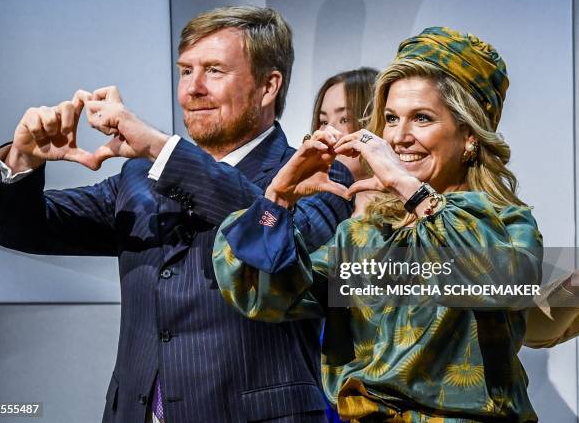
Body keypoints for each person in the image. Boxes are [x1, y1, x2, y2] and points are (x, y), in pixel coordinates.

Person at [0, 6, 354, 423]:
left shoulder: (318, 173)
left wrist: (163, 149)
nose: (192, 89)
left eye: (213, 70)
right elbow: (19, 228)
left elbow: (287, 246)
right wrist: (22, 159)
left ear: (268, 86)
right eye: (185, 71)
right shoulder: (139, 177)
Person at [213, 27, 543, 422]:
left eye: (422, 118)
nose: (399, 137)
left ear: (469, 135)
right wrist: (277, 199)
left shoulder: (506, 225)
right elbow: (263, 296)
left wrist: (409, 188)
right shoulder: (364, 234)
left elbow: (499, 283)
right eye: (390, 119)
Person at [311, 67, 378, 216]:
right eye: (323, 121)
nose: (327, 132)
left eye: (345, 119)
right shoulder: (311, 207)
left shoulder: (412, 211)